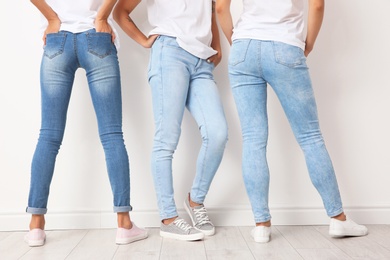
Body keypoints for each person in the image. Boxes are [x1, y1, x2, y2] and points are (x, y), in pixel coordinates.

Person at [216, 0, 368, 243]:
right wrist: (309, 43)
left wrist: (237, 40)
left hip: (243, 48)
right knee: (310, 138)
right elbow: (317, 5)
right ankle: (338, 219)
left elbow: (221, 7)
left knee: (253, 140)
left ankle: (261, 225)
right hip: (285, 45)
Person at [25, 0, 148, 247]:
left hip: (57, 38)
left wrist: (52, 18)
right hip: (97, 37)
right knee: (112, 135)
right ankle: (124, 224)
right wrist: (101, 16)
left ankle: (36, 225)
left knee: (48, 136)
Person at [114, 0, 228, 241]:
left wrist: (216, 44)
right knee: (166, 139)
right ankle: (168, 218)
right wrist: (145, 41)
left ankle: (195, 200)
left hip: (202, 60)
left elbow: (209, 9)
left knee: (218, 133)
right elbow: (120, 12)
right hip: (170, 52)